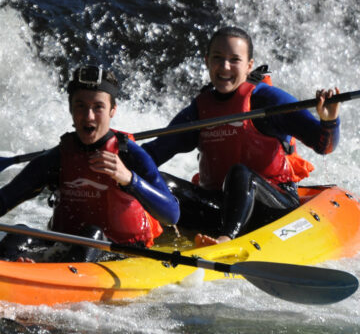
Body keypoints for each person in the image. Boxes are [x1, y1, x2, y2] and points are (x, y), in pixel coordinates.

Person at [0, 65, 180, 261]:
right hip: (65, 246)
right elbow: (2, 200)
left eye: (98, 107)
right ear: (71, 109)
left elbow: (171, 214)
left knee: (92, 236)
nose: (88, 116)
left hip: (122, 250)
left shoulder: (130, 156)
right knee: (19, 235)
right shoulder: (58, 157)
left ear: (112, 110)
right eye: (80, 105)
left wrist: (129, 179)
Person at [142, 26, 340, 246]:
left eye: (234, 60)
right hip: (219, 209)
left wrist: (329, 121)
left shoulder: (267, 101)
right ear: (207, 61)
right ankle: (140, 236)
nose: (225, 66)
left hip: (271, 207)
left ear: (249, 66)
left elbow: (324, 145)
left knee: (239, 174)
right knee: (159, 182)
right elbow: (153, 154)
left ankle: (226, 241)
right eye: (218, 58)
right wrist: (114, 154)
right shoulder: (200, 109)